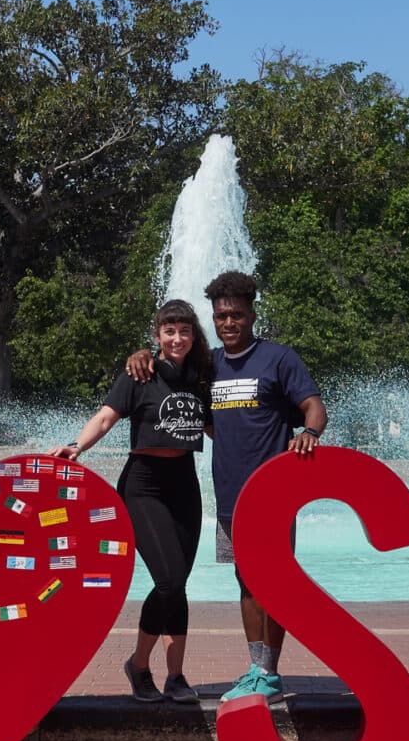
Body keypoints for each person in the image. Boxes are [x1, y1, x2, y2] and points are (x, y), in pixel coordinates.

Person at [128, 271, 328, 704]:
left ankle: (269, 672)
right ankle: (257, 668)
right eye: (221, 316)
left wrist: (310, 432)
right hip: (231, 496)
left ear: (252, 315)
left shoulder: (278, 359)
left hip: (274, 493)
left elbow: (314, 405)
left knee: (275, 582)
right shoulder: (210, 365)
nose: (229, 322)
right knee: (246, 579)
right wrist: (142, 354)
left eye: (237, 314)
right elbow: (171, 366)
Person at [52, 300, 212, 704]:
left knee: (178, 585)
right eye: (169, 331)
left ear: (194, 335)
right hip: (144, 486)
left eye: (185, 331)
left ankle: (176, 677)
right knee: (168, 580)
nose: (177, 338)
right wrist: (77, 446)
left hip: (185, 486)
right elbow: (106, 417)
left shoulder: (199, 378)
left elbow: (219, 427)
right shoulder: (140, 373)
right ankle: (139, 665)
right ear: (157, 335)